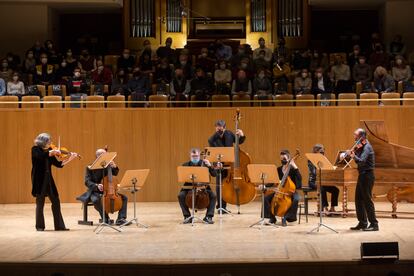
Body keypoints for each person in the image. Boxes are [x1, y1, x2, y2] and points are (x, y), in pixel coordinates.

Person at [31, 133, 78, 231]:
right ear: (43, 141)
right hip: (39, 180)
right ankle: (40, 226)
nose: (51, 143)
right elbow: (40, 156)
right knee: (40, 203)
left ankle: (59, 226)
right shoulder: (35, 149)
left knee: (56, 201)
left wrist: (70, 158)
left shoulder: (49, 151)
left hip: (48, 179)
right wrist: (52, 151)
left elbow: (59, 164)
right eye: (49, 141)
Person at [78, 149, 130, 226]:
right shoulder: (90, 167)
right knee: (96, 200)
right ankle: (105, 218)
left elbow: (115, 174)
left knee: (124, 197)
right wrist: (96, 186)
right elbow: (87, 181)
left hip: (109, 191)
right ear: (98, 156)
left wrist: (114, 167)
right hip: (95, 191)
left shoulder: (107, 165)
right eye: (104, 155)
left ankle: (121, 219)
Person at [208, 120, 245, 212]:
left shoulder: (229, 133)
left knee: (227, 186)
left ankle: (224, 206)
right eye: (217, 129)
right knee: (219, 185)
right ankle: (221, 207)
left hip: (231, 164)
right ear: (215, 128)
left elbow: (238, 142)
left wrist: (241, 134)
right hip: (219, 164)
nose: (219, 131)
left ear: (224, 128)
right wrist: (217, 163)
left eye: (221, 129)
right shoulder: (211, 139)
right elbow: (213, 154)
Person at [348, 128, 379, 231]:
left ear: (362, 137)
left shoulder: (367, 147)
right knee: (358, 199)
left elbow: (361, 162)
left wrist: (353, 156)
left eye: (355, 135)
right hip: (362, 175)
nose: (354, 137)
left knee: (367, 200)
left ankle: (374, 224)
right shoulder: (361, 146)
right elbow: (358, 160)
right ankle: (362, 222)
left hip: (368, 176)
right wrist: (349, 155)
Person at [178, 148, 218, 224]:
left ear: (199, 155)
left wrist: (210, 166)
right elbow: (183, 178)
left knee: (213, 196)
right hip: (189, 188)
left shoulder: (205, 164)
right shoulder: (185, 165)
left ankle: (208, 217)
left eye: (196, 156)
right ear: (190, 156)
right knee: (181, 195)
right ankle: (187, 216)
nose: (195, 157)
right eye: (193, 156)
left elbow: (214, 174)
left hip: (204, 188)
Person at [264, 150, 302, 226]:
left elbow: (299, 180)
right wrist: (265, 185)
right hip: (280, 191)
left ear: (289, 159)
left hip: (291, 191)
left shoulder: (293, 169)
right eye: (281, 159)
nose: (282, 160)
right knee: (266, 198)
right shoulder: (278, 169)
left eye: (284, 159)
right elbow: (273, 180)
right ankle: (272, 218)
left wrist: (295, 167)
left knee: (296, 199)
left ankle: (285, 217)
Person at [307, 144, 339, 214]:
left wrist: (331, 168)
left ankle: (332, 208)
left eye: (323, 152)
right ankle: (325, 207)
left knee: (336, 190)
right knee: (322, 188)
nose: (322, 154)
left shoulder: (324, 160)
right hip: (313, 181)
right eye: (321, 152)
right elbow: (314, 173)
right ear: (316, 152)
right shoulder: (311, 160)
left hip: (323, 181)